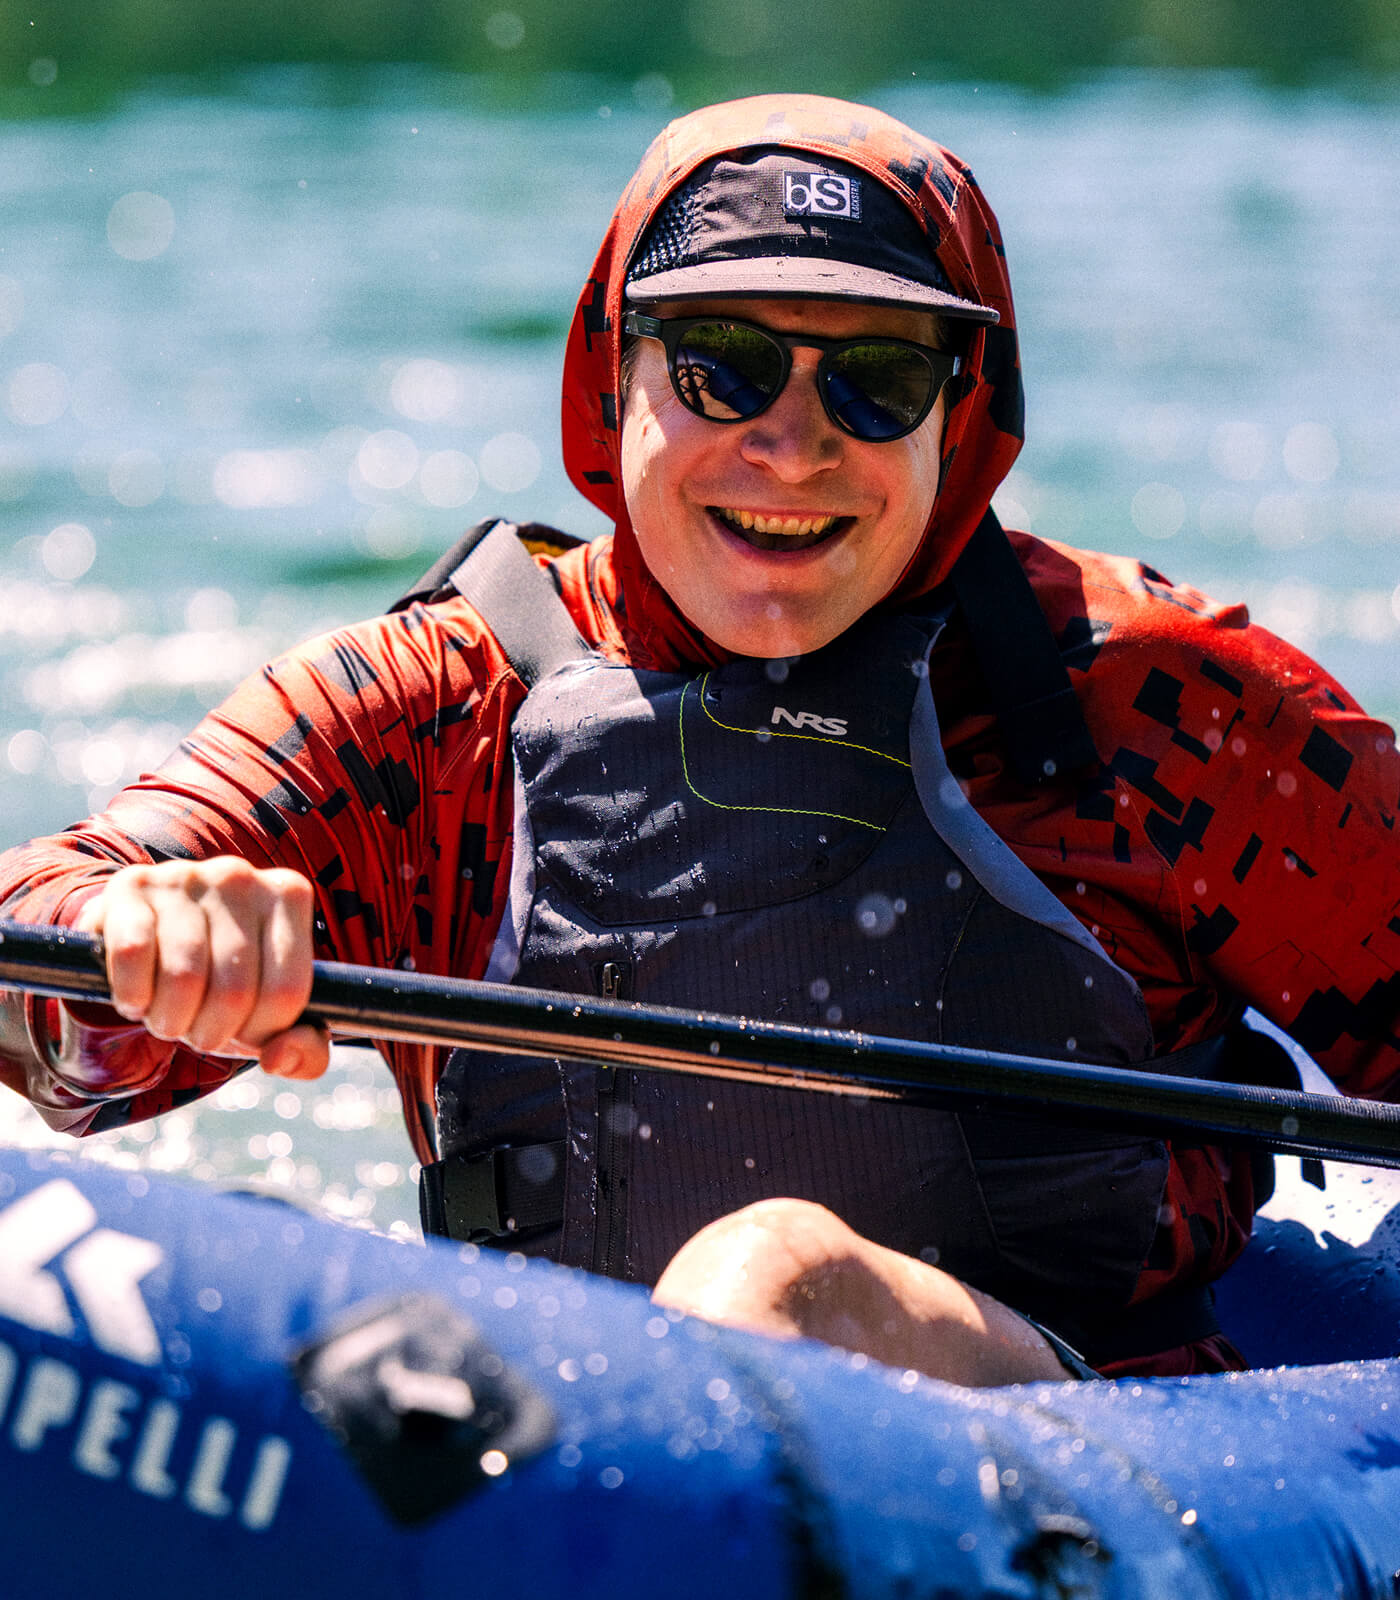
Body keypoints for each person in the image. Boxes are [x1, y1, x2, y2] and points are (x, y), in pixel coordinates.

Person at [1, 92, 1397, 1387]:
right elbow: (38, 984)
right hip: (573, 1466)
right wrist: (149, 938)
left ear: (960, 415)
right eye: (721, 368)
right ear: (615, 380)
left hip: (1098, 1451)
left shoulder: (1147, 703)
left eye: (875, 382)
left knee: (769, 1275)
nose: (791, 447)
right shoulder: (437, 712)